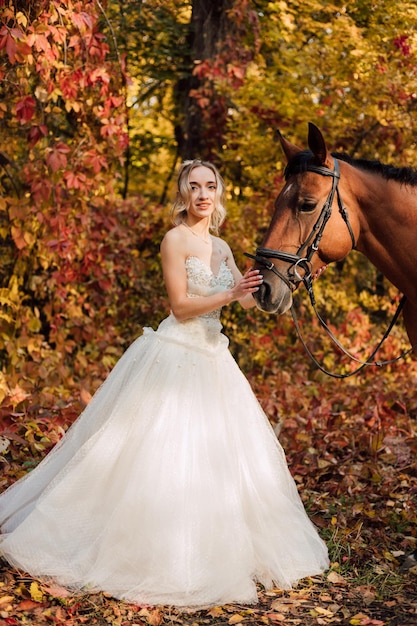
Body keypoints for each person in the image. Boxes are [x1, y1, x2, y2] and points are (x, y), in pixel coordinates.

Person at [0, 160, 329, 609]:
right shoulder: (174, 240)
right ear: (183, 194)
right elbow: (180, 307)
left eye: (210, 185)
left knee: (222, 458)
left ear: (218, 193)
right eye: (193, 186)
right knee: (155, 455)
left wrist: (291, 279)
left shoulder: (223, 246)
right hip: (176, 355)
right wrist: (231, 295)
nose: (202, 194)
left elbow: (251, 304)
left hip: (214, 359)